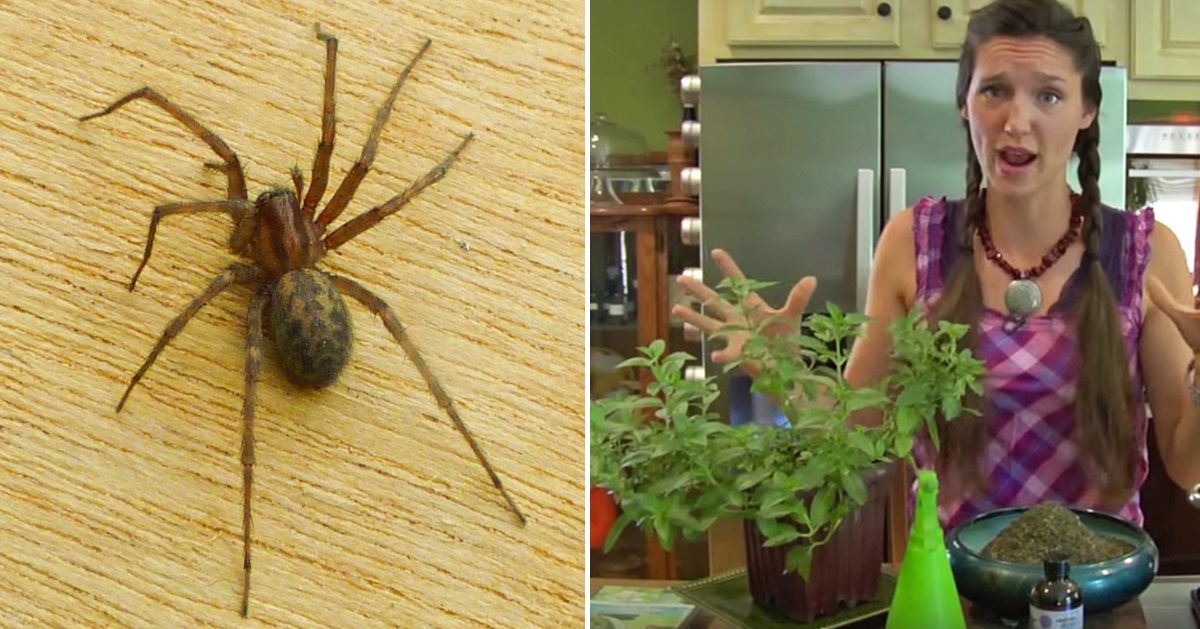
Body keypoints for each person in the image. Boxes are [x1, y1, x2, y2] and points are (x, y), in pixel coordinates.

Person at [673, 0, 1200, 532]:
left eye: (1049, 95)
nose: (1017, 121)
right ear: (965, 104)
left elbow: (1187, 463)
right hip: (948, 591)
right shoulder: (912, 242)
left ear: (1086, 111)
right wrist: (781, 370)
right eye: (994, 90)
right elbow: (861, 426)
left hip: (1099, 594)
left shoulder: (1147, 252)